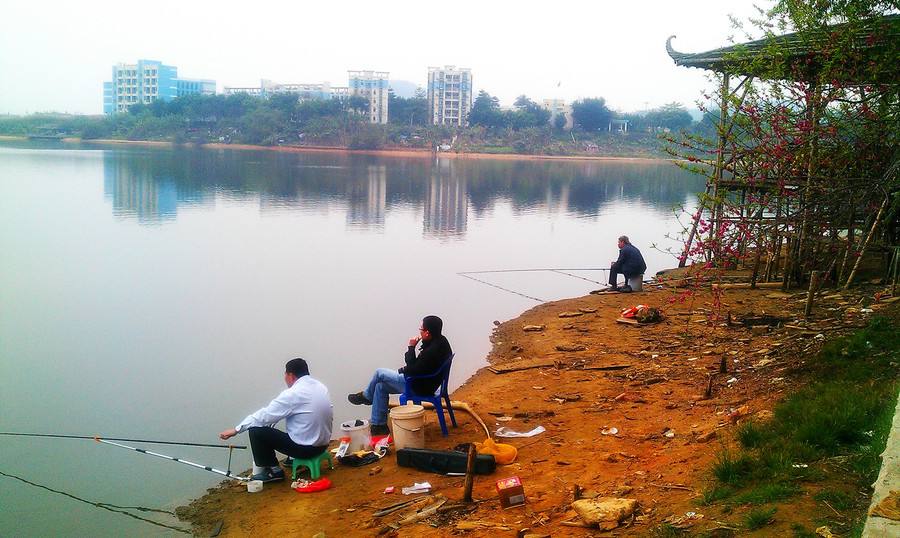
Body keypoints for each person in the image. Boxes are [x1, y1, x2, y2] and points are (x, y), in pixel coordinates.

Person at [219, 358, 333, 483]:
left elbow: (265, 415)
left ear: (290, 375)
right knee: (292, 423)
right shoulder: (320, 387)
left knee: (256, 431)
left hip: (307, 450)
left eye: (285, 374)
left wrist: (236, 429)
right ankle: (292, 459)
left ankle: (274, 472)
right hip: (323, 445)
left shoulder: (293, 393)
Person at [347, 315, 452, 436]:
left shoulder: (431, 351)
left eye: (421, 329)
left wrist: (411, 347)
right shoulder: (441, 341)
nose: (420, 331)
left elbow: (412, 368)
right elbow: (418, 367)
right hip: (427, 382)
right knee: (380, 387)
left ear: (427, 333)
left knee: (379, 373)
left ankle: (367, 397)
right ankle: (378, 426)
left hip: (417, 385)